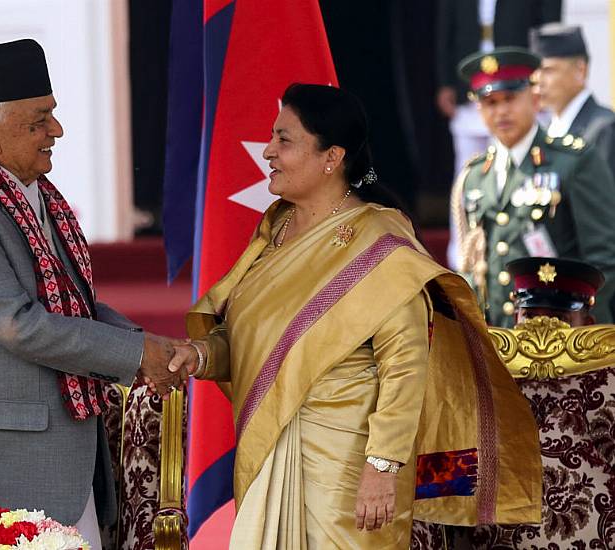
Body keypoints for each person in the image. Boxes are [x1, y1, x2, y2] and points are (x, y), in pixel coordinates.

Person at [167, 83, 542, 549]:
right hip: (272, 449)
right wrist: (201, 356)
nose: (268, 151)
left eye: (284, 140)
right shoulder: (276, 228)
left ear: (332, 156)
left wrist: (382, 468)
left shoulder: (380, 242)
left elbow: (405, 366)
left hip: (349, 468)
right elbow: (254, 339)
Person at [0, 39, 184, 550]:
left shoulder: (35, 194)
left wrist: (141, 342)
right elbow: (19, 323)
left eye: (53, 115)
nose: (57, 131)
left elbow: (72, 306)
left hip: (55, 458)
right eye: (39, 120)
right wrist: (137, 354)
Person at [450, 256, 615, 547]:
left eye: (559, 319)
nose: (543, 332)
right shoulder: (478, 372)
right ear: (516, 318)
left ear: (587, 324)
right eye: (530, 316)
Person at [451, 47, 615, 328]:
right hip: (501, 340)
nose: (501, 111)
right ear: (478, 108)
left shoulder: (573, 161)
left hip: (566, 339)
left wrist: (571, 323)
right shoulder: (476, 176)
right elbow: (473, 265)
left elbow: (604, 260)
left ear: (535, 98)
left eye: (510, 99)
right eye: (490, 102)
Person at [438, 0, 562, 269]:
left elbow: (549, 23)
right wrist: (444, 82)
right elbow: (445, 28)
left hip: (518, 85)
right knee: (466, 175)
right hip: (471, 87)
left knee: (524, 170)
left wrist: (543, 80)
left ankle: (521, 253)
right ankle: (462, 258)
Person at [530, 23, 615, 180]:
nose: (538, 80)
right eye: (535, 71)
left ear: (580, 71)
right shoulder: (545, 131)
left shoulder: (605, 129)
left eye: (548, 70)